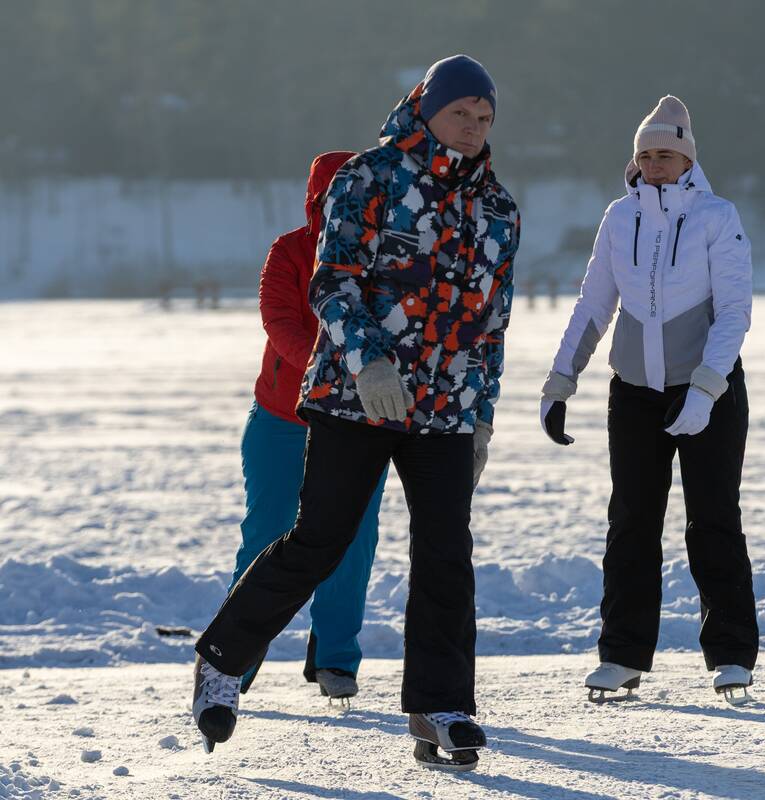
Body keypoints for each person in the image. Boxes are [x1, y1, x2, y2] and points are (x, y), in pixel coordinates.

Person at [191, 55, 519, 771]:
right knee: (319, 540)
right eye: (461, 112)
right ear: (425, 109)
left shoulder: (497, 208)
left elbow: (492, 326)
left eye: (485, 116)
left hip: (444, 408)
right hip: (353, 395)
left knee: (445, 553)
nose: (473, 127)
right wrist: (368, 360)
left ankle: (441, 704)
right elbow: (332, 282)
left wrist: (483, 415)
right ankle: (222, 658)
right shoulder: (367, 178)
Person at [540, 95, 758, 705]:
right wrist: (562, 381)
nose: (656, 164)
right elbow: (593, 306)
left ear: (687, 157)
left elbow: (735, 312)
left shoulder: (718, 216)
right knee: (632, 523)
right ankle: (622, 656)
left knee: (713, 520)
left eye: (667, 153)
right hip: (633, 393)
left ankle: (732, 655)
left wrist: (707, 389)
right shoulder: (618, 218)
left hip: (707, 390)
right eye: (646, 154)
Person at [233, 150, 386, 703]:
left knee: (353, 538)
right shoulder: (291, 250)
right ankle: (237, 654)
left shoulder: (384, 255)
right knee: (267, 532)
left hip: (357, 423)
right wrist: (344, 365)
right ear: (317, 198)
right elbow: (280, 322)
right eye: (334, 197)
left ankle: (334, 657)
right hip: (282, 417)